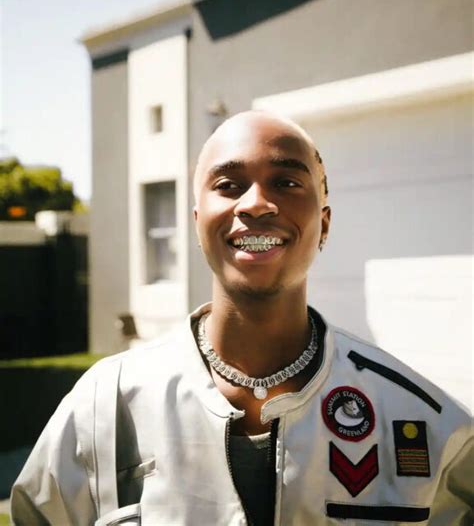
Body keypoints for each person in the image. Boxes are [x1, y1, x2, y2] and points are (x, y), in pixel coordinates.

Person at [11, 111, 473, 525]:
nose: (255, 204)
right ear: (197, 222)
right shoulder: (102, 407)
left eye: (286, 183)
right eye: (229, 185)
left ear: (324, 224)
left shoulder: (428, 425)